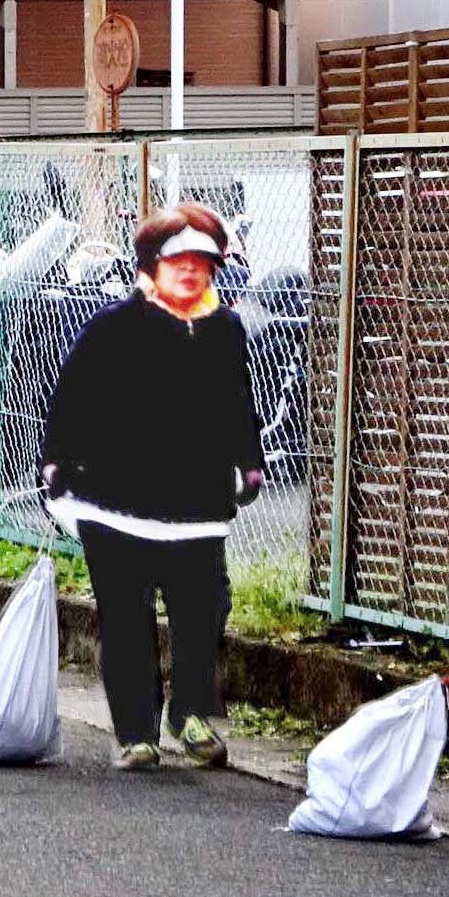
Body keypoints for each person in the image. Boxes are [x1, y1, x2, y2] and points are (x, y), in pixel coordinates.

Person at [38, 203, 265, 772]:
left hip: (197, 505)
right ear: (151, 266)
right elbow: (72, 398)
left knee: (203, 611)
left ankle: (190, 715)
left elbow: (238, 404)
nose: (190, 271)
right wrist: (56, 463)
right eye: (177, 260)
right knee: (126, 617)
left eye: (202, 262)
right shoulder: (114, 326)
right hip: (115, 502)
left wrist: (249, 463)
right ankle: (136, 733)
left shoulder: (224, 329)